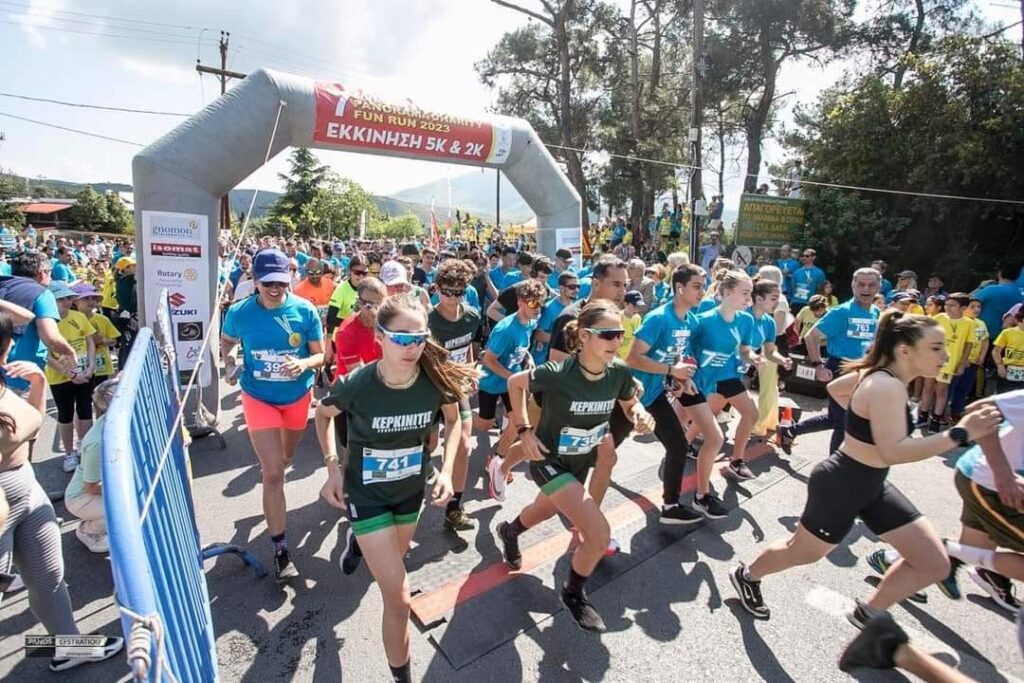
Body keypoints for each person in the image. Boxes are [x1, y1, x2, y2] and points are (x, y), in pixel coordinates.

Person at [730, 312, 1002, 623]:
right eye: (937, 347)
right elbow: (894, 451)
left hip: (873, 484)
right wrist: (960, 433)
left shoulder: (882, 377)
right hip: (843, 482)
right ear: (905, 351)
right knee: (803, 551)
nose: (946, 355)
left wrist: (862, 422)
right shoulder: (886, 386)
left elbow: (836, 389)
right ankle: (747, 575)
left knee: (935, 563)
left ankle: (868, 612)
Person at [314, 294, 476, 683]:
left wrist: (445, 469)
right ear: (380, 337)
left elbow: (454, 420)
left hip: (408, 493)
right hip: (366, 496)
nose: (412, 347)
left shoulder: (434, 380)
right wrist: (332, 468)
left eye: (419, 338)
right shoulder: (359, 383)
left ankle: (358, 542)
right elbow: (322, 414)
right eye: (402, 338)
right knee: (399, 598)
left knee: (393, 575)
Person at [497, 300, 656, 632]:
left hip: (580, 461)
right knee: (599, 534)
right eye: (608, 334)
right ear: (584, 336)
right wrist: (524, 430)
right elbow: (515, 383)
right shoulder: (558, 373)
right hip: (548, 460)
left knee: (542, 510)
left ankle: (510, 532)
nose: (617, 341)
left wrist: (640, 413)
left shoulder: (618, 372)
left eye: (620, 334)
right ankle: (573, 593)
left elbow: (630, 404)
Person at [0, 309, 125, 671]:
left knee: (49, 579)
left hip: (26, 488)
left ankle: (65, 647)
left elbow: (29, 429)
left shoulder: (8, 378)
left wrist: (39, 383)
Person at [221, 248, 324, 581]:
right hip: (258, 397)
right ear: (256, 281)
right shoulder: (240, 312)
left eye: (281, 282)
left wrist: (303, 363)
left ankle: (278, 472)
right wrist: (230, 362)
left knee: (286, 458)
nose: (276, 289)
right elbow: (227, 341)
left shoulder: (304, 310)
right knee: (274, 472)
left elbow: (320, 355)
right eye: (269, 283)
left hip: (296, 398)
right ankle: (280, 550)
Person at [626, 264, 716, 522]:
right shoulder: (658, 318)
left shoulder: (691, 321)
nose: (702, 292)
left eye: (703, 286)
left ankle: (671, 506)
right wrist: (671, 370)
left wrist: (679, 379)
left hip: (654, 395)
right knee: (603, 453)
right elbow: (633, 358)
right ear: (679, 288)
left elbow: (675, 354)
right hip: (628, 396)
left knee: (677, 444)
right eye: (696, 286)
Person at [777, 268, 882, 455]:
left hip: (861, 370)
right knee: (844, 421)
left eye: (871, 285)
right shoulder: (842, 312)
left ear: (879, 287)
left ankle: (790, 431)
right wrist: (818, 365)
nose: (866, 289)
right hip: (840, 368)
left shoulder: (875, 311)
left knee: (835, 418)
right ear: (853, 285)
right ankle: (835, 467)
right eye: (861, 284)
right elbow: (811, 336)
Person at [688, 271, 764, 482]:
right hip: (703, 380)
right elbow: (685, 350)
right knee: (704, 419)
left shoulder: (746, 320)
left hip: (728, 375)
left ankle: (736, 461)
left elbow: (744, 351)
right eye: (745, 293)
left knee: (750, 413)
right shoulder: (702, 321)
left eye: (750, 293)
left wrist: (754, 359)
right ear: (727, 292)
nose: (749, 299)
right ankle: (681, 446)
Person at [426, 259, 482, 533]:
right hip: (429, 390)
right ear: (436, 288)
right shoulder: (427, 320)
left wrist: (470, 371)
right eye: (446, 291)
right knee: (428, 446)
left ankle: (454, 509)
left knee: (463, 445)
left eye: (458, 292)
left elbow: (468, 346)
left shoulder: (472, 316)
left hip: (456, 389)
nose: (451, 297)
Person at [479, 279, 545, 489]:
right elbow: (488, 360)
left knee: (517, 423)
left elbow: (522, 349)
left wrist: (528, 359)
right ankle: (461, 419)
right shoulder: (505, 329)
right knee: (484, 424)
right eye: (533, 303)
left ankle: (496, 460)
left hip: (511, 384)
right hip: (490, 383)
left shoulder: (532, 322)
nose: (538, 309)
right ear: (520, 303)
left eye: (541, 303)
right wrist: (511, 377)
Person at [45, 281, 96, 474]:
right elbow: (46, 355)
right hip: (60, 378)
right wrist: (68, 373)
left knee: (85, 410)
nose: (66, 302)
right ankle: (69, 453)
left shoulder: (79, 317)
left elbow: (90, 341)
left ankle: (86, 449)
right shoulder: (46, 322)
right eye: (61, 299)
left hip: (84, 373)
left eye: (68, 298)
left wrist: (91, 366)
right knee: (65, 414)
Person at [64, 377, 118, 553]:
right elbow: (91, 486)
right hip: (81, 497)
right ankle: (89, 531)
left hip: (99, 488)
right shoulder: (97, 442)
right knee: (123, 507)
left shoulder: (112, 424)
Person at [918, 293, 974, 432]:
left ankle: (936, 419)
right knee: (928, 387)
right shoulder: (939, 318)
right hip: (932, 358)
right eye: (947, 305)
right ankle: (923, 416)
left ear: (963, 308)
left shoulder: (969, 323)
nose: (948, 308)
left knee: (942, 390)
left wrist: (962, 363)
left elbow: (968, 344)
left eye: (952, 305)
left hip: (950, 361)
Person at [749, 280, 794, 439]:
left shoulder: (769, 323)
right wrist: (752, 358)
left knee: (748, 414)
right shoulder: (742, 316)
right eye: (773, 298)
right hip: (721, 369)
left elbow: (769, 352)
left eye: (778, 298)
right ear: (759, 299)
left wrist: (783, 360)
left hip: (735, 373)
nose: (777, 303)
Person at [70, 283, 119, 382]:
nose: (91, 302)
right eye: (86, 298)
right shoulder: (70, 321)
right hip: (80, 367)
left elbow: (114, 341)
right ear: (75, 301)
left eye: (93, 298)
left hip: (101, 366)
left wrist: (102, 340)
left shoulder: (103, 319)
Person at [533, 272, 579, 364]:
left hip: (563, 361)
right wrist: (563, 340)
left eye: (578, 286)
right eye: (572, 287)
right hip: (544, 362)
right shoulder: (550, 308)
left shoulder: (576, 308)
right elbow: (538, 334)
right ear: (561, 288)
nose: (577, 290)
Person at [972, 260, 1023, 341]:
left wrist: (981, 287)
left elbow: (965, 302)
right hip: (1007, 339)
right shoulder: (1020, 294)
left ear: (999, 273)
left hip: (983, 336)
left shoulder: (991, 290)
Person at [326, 255, 368, 334]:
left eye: (364, 273)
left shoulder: (369, 289)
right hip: (343, 335)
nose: (361, 276)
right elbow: (330, 318)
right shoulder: (341, 289)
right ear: (349, 271)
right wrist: (352, 324)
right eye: (357, 273)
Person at [993, 306, 1024, 393]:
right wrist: (1000, 366)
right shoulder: (1007, 333)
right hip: (1007, 370)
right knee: (1003, 397)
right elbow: (996, 351)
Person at [789, 248, 826, 316]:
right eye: (803, 256)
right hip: (796, 302)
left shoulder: (819, 273)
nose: (804, 257)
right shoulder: (796, 272)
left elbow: (821, 290)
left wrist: (817, 303)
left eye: (807, 256)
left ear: (813, 257)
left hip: (810, 304)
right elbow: (793, 288)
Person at [618, 292, 642, 360]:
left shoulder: (637, 318)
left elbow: (635, 337)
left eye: (639, 306)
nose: (637, 309)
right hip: (616, 355)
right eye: (634, 305)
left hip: (627, 356)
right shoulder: (618, 317)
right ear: (626, 304)